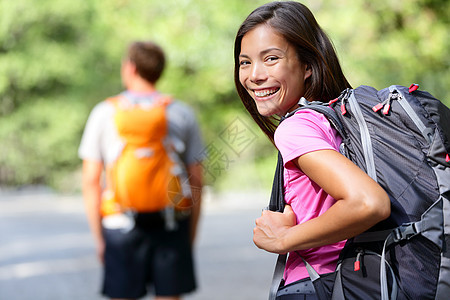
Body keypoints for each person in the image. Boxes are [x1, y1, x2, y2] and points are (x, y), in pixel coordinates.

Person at [234, 2, 391, 299]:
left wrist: (284, 238)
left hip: (318, 284)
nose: (254, 75)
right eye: (245, 62)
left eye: (271, 59)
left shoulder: (296, 128)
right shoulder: (334, 117)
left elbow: (369, 203)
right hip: (357, 281)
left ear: (307, 65)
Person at [79, 41, 205, 300]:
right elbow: (197, 179)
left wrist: (99, 239)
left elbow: (91, 181)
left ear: (130, 68)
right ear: (160, 71)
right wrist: (189, 236)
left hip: (119, 225)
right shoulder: (181, 112)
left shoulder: (104, 113)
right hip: (171, 222)